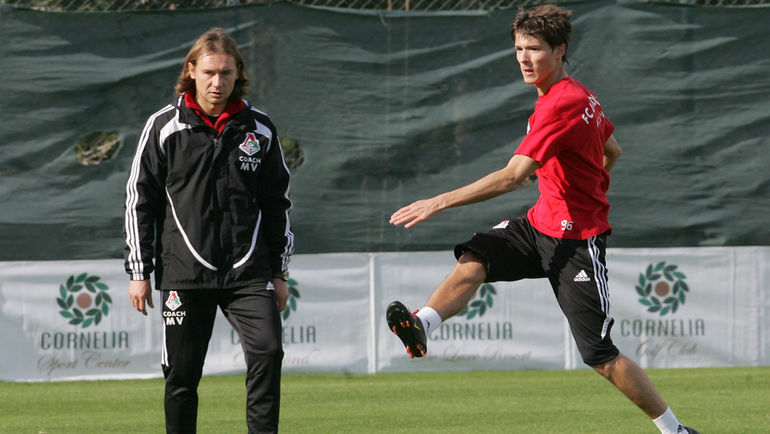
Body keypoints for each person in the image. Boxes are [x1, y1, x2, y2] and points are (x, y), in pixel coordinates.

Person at [386, 6, 697, 434]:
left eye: (534, 49)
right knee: (476, 257)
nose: (524, 58)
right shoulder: (581, 96)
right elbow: (613, 152)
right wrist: (579, 175)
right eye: (518, 48)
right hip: (539, 225)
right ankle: (421, 324)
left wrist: (438, 201)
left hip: (576, 242)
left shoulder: (561, 104)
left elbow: (513, 177)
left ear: (560, 50)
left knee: (600, 356)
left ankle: (675, 430)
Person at [124, 27, 293, 434]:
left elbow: (278, 204)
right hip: (185, 271)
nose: (218, 83)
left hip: (249, 273)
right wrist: (139, 272)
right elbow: (138, 200)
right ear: (192, 71)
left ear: (238, 76)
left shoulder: (260, 129)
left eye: (227, 74)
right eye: (210, 73)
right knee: (181, 377)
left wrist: (280, 273)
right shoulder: (163, 127)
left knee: (268, 353)